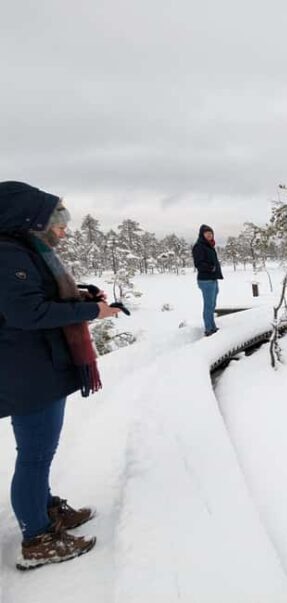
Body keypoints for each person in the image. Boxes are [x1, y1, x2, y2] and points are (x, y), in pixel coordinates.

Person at [0, 181, 121, 570]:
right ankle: (36, 538)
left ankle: (44, 507)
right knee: (34, 454)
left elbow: (39, 299)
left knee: (39, 452)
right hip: (26, 371)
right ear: (29, 217)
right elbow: (26, 314)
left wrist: (82, 298)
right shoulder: (7, 255)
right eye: (58, 219)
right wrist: (91, 313)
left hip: (38, 366)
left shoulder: (25, 251)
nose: (63, 228)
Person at [192, 224, 223, 336]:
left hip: (212, 279)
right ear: (202, 234)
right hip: (206, 280)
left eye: (211, 233)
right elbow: (198, 264)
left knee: (212, 304)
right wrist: (211, 268)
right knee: (208, 305)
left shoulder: (209, 246)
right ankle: (209, 329)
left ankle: (212, 326)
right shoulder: (199, 246)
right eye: (207, 233)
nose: (209, 235)